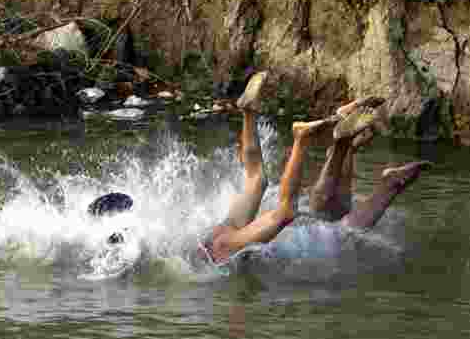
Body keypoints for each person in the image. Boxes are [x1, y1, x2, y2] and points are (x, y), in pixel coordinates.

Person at [89, 71, 432, 269]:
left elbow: (128, 256)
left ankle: (302, 139)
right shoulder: (149, 224)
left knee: (288, 212)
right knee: (257, 178)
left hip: (218, 249)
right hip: (215, 234)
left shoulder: (133, 242)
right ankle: (248, 113)